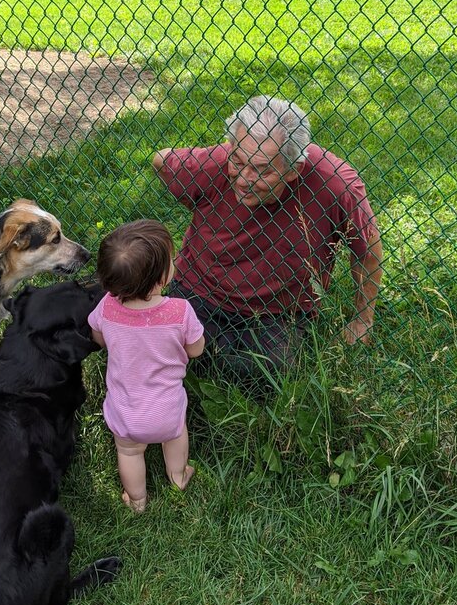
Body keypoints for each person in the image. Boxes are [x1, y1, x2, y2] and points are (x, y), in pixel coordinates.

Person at [152, 95, 383, 387]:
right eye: (238, 160)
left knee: (266, 378)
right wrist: (204, 210)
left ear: (293, 170)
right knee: (159, 350)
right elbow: (161, 160)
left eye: (262, 169)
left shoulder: (335, 184)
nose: (244, 179)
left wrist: (363, 319)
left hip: (278, 313)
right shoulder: (216, 163)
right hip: (200, 292)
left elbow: (368, 250)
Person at [88, 219, 205, 513]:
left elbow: (98, 337)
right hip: (166, 410)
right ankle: (178, 476)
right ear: (160, 279)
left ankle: (137, 499)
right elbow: (195, 349)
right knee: (176, 437)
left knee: (128, 452)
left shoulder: (106, 306)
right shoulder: (180, 312)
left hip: (125, 413)